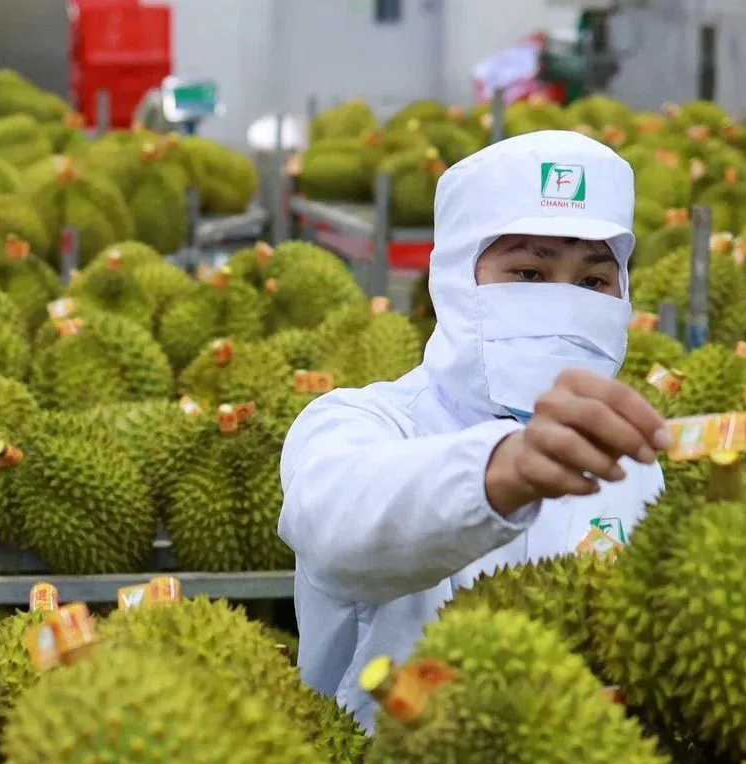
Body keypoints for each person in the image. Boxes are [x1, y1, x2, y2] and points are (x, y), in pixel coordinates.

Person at [279, 130, 670, 730]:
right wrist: (499, 471)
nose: (564, 303)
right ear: (457, 280)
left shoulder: (633, 461)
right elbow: (335, 521)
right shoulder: (360, 423)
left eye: (592, 282)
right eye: (529, 273)